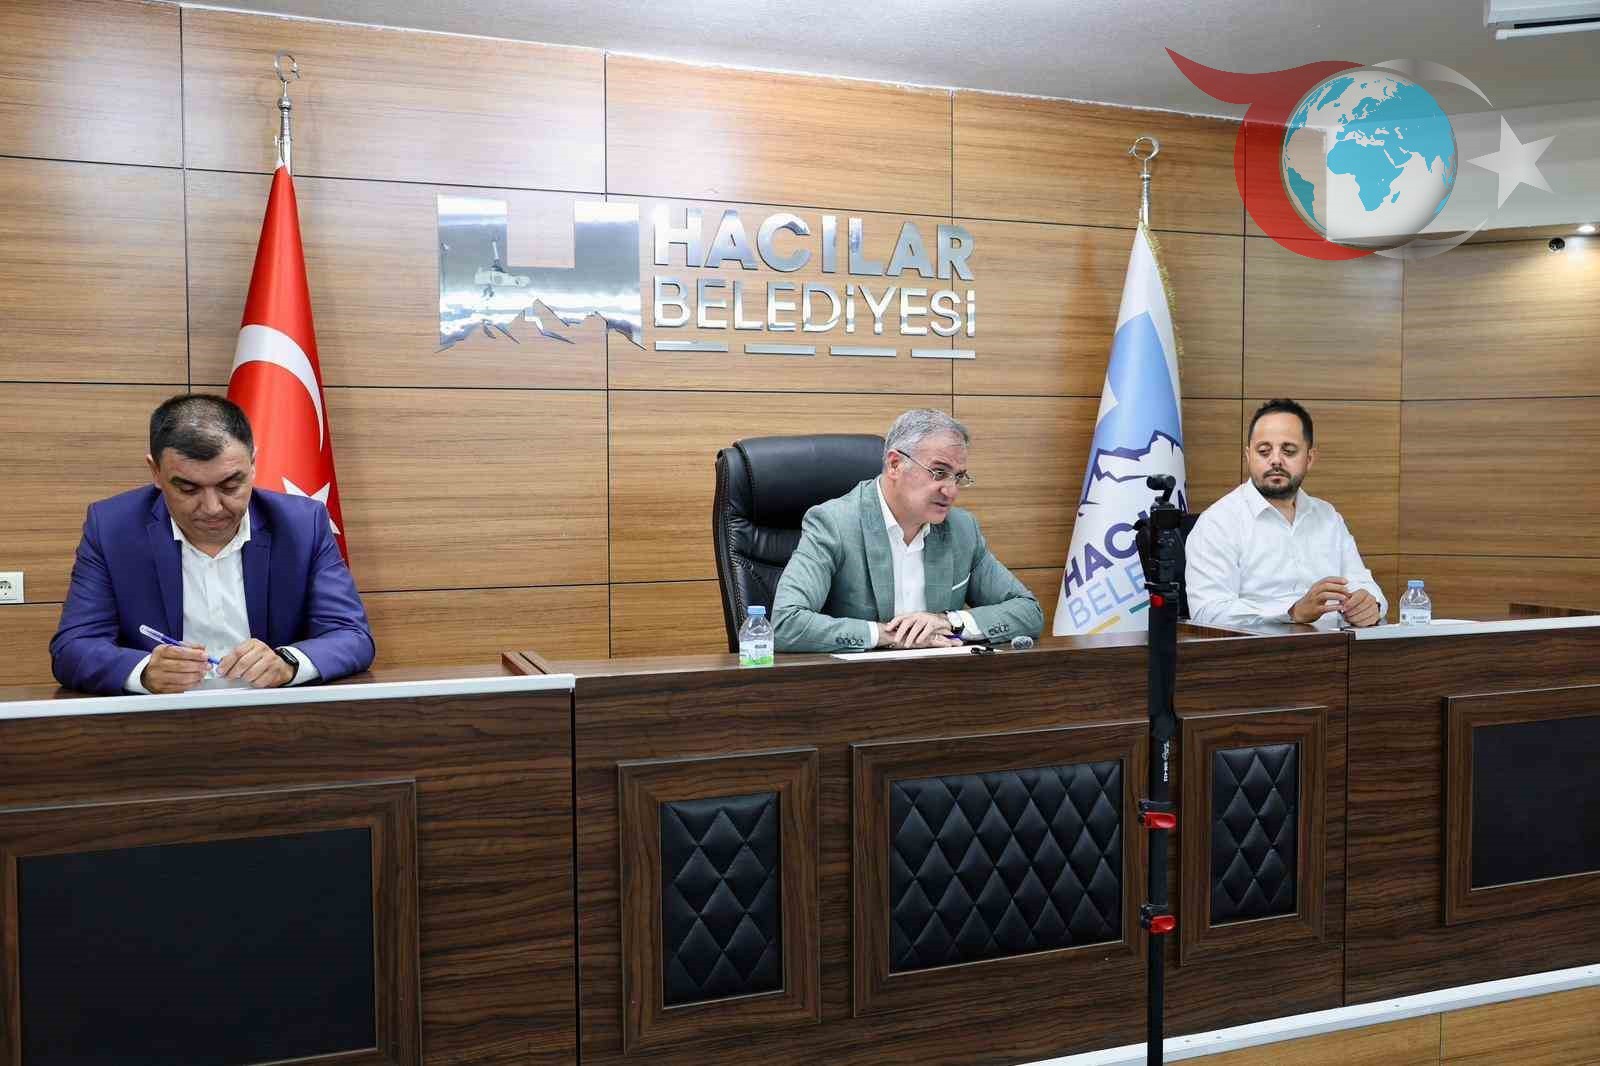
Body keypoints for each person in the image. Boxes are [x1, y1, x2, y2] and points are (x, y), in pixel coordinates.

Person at [50, 394, 375, 694]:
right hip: (160, 722)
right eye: (188, 489)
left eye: (230, 485)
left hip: (276, 719)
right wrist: (145, 671)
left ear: (253, 464)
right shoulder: (112, 528)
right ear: (155, 472)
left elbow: (351, 635)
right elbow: (74, 647)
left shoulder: (303, 525)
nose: (212, 508)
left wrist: (287, 663)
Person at [773, 409, 1043, 653]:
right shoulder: (835, 524)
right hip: (856, 684)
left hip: (943, 681)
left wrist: (949, 622)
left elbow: (1028, 611)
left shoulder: (962, 529)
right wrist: (889, 635)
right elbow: (786, 623)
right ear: (895, 465)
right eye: (939, 472)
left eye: (958, 477)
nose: (951, 491)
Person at [1185, 398, 1387, 629]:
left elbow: (1363, 583)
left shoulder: (1328, 516)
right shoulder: (1218, 522)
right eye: (1264, 451)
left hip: (1335, 644)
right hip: (1258, 648)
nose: (1275, 460)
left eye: (1288, 451)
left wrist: (1370, 605)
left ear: (1309, 459)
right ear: (1248, 456)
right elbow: (1207, 612)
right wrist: (1291, 612)